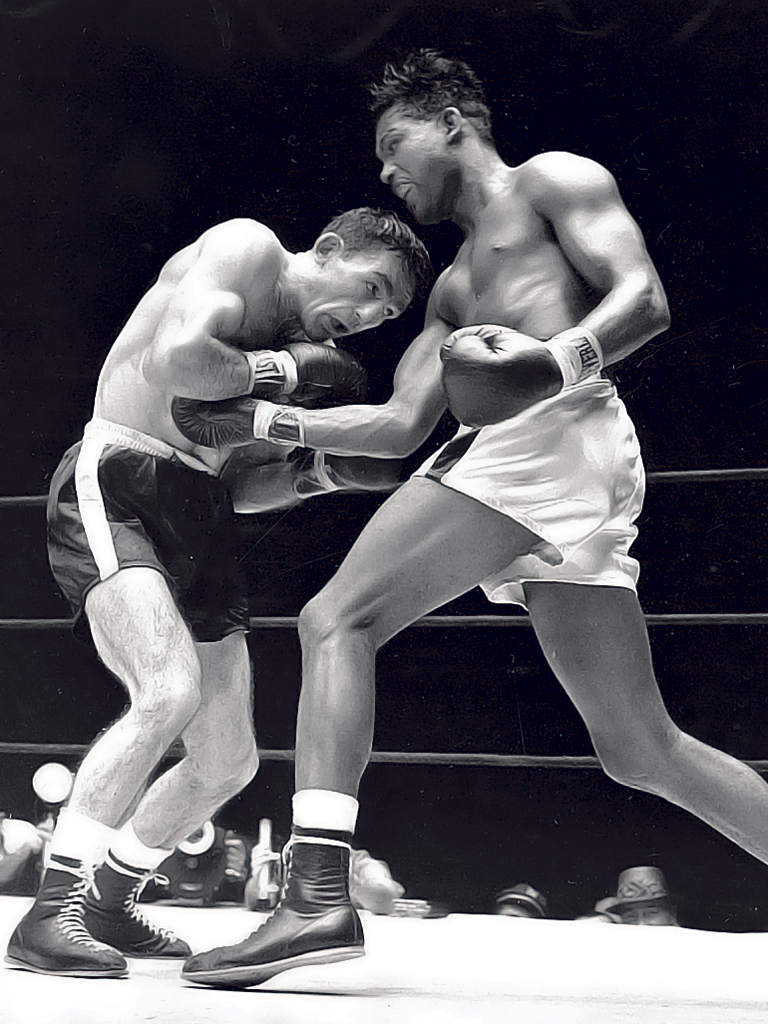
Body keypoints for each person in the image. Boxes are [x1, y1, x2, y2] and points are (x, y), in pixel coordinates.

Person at [181, 48, 768, 990]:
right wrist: (267, 425)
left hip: (557, 433)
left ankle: (316, 893)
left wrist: (555, 360)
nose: (385, 169)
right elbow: (399, 428)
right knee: (638, 748)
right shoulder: (452, 289)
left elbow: (645, 298)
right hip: (545, 462)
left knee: (337, 619)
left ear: (453, 118)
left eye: (394, 142)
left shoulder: (552, 182)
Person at [4, 207, 432, 979]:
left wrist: (317, 470)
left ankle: (107, 899)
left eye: (388, 313)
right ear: (327, 250)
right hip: (123, 476)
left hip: (199, 508)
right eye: (369, 288)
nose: (368, 317)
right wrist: (292, 379)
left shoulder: (299, 343)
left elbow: (238, 480)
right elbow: (179, 363)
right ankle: (48, 914)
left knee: (228, 757)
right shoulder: (250, 250)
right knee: (165, 693)